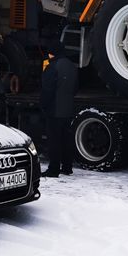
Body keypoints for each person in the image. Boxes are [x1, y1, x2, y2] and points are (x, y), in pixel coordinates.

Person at [40, 39, 78, 177]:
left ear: (52, 52)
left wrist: (43, 106)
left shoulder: (52, 67)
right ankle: (67, 167)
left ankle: (54, 169)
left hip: (54, 109)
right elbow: (75, 88)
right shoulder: (72, 66)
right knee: (67, 139)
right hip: (68, 109)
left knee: (54, 141)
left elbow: (47, 90)